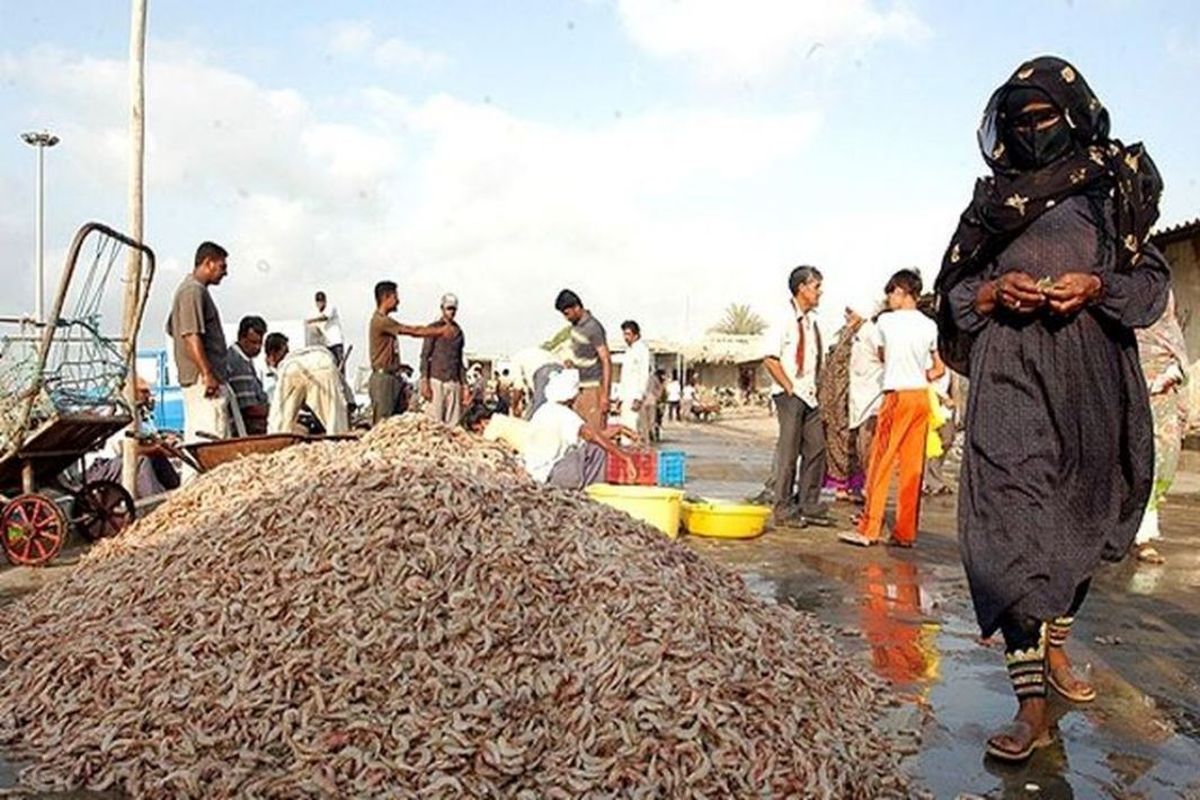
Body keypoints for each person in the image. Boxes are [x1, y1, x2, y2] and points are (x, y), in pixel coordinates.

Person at [934, 56, 1169, 763]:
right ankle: (1030, 703)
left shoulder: (1110, 192)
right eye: (1019, 124)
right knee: (1008, 527)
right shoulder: (991, 206)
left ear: (1075, 117)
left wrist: (1095, 285)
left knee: (1086, 517)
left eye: (1044, 120)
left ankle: (1055, 642)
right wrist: (992, 294)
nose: (1032, 133)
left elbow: (1149, 280)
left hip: (1092, 378)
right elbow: (953, 291)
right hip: (1011, 376)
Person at [840, 270, 944, 548]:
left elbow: (882, 356)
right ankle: (905, 532)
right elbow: (938, 368)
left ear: (901, 291)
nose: (888, 298)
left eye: (891, 292)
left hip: (896, 396)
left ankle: (869, 528)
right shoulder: (929, 326)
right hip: (920, 396)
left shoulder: (886, 322)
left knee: (880, 464)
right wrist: (918, 374)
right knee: (912, 468)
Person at [762, 265, 830, 526]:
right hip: (790, 393)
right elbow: (770, 358)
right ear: (801, 287)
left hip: (809, 394)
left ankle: (808, 502)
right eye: (816, 287)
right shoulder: (783, 318)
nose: (820, 292)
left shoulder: (812, 322)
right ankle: (783, 507)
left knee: (816, 448)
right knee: (789, 453)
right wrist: (789, 386)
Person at [1133, 291, 1189, 565]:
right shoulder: (1124, 323)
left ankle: (1144, 537)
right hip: (1127, 396)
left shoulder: (1168, 329)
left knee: (1159, 463)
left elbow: (1178, 353)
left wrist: (1170, 374)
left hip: (1161, 399)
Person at [166, 241, 231, 456]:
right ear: (208, 263)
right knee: (210, 441)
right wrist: (206, 373)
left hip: (200, 379)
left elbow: (172, 328)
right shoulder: (192, 291)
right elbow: (190, 335)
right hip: (202, 382)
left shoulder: (193, 291)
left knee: (200, 440)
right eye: (222, 266)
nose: (225, 272)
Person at [525, 369, 635, 489]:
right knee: (598, 449)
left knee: (593, 446)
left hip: (537, 472)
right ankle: (594, 490)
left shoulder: (544, 410)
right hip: (552, 472)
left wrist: (619, 429)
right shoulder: (565, 414)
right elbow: (592, 436)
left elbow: (589, 435)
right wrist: (625, 457)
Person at [368, 281, 452, 426]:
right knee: (383, 426)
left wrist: (399, 366)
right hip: (384, 381)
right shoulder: (381, 321)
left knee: (395, 425)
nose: (398, 300)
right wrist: (439, 331)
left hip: (391, 376)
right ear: (386, 297)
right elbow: (412, 331)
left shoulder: (384, 322)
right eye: (395, 296)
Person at [86, 378, 180, 497]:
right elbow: (127, 449)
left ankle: (177, 492)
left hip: (116, 463)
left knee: (156, 457)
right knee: (142, 461)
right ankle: (153, 503)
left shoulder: (137, 413)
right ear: (131, 391)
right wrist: (157, 448)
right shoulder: (120, 413)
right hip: (102, 466)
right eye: (144, 392)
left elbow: (143, 441)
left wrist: (161, 445)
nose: (148, 396)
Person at [818, 304, 869, 501]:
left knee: (853, 444)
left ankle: (852, 486)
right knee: (838, 443)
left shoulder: (860, 347)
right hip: (835, 405)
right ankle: (842, 486)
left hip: (851, 402)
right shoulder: (837, 356)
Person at [264, 333, 350, 435]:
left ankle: (275, 444)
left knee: (278, 425)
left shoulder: (287, 364)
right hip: (324, 362)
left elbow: (283, 408)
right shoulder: (300, 356)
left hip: (293, 368)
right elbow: (346, 399)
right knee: (335, 421)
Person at [554, 290, 612, 433]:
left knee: (595, 436)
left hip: (592, 389)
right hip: (577, 389)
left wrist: (605, 395)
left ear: (577, 307)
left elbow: (606, 361)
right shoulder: (575, 326)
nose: (565, 318)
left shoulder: (593, 327)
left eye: (567, 313)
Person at [848, 298, 885, 501]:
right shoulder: (859, 335)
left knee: (870, 455)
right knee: (864, 455)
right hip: (861, 405)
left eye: (851, 313)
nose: (849, 318)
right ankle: (870, 501)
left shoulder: (872, 333)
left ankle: (873, 504)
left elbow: (885, 357)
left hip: (873, 405)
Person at [419, 293, 468, 425]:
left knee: (453, 425)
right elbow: (425, 355)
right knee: (434, 424)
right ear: (442, 308)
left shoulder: (458, 332)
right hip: (436, 380)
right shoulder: (434, 328)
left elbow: (459, 360)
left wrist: (465, 385)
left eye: (453, 309)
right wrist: (424, 380)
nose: (451, 312)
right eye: (449, 308)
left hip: (453, 381)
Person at [226, 315, 270, 436]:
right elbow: (248, 408)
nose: (257, 347)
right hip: (245, 430)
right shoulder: (237, 362)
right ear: (242, 338)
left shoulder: (246, 360)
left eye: (260, 343)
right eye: (253, 342)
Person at [618, 320, 652, 442]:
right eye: (624, 334)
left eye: (628, 334)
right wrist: (620, 397)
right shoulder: (629, 351)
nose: (625, 337)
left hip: (634, 396)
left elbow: (643, 374)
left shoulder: (642, 350)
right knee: (625, 428)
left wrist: (639, 396)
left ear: (636, 335)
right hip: (626, 396)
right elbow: (625, 377)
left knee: (633, 428)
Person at [511, 347, 560, 419]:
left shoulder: (515, 361)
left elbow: (518, 388)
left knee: (535, 413)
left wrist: (514, 408)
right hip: (561, 367)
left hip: (544, 371)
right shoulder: (530, 355)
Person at [306, 291, 345, 372]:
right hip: (326, 343)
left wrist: (310, 321)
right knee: (329, 366)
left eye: (321, 302)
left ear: (325, 301)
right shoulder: (315, 312)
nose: (320, 304)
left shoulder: (331, 308)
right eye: (318, 302)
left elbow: (325, 317)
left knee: (340, 364)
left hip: (336, 341)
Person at [643, 369, 665, 443]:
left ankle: (647, 437)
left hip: (646, 401)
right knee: (653, 420)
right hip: (653, 402)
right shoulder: (657, 380)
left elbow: (646, 390)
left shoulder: (649, 378)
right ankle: (653, 437)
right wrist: (658, 398)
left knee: (646, 420)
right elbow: (660, 392)